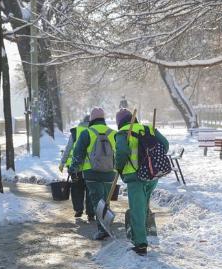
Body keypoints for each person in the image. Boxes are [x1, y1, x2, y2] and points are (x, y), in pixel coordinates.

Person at [114, 108, 168, 255]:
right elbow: (165, 144)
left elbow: (122, 153)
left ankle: (140, 244)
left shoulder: (123, 133)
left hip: (135, 176)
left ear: (119, 122)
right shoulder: (148, 129)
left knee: (137, 210)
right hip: (151, 175)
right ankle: (144, 232)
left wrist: (118, 167)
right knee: (143, 206)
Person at [70, 107, 116, 240]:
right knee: (106, 201)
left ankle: (103, 230)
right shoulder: (113, 133)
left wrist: (74, 169)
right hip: (109, 173)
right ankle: (105, 226)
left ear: (92, 119)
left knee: (97, 201)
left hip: (92, 173)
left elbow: (78, 153)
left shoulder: (86, 133)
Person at [60, 115, 91, 218]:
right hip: (90, 167)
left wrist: (62, 162)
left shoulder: (75, 131)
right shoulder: (94, 131)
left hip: (75, 167)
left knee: (76, 188)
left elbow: (68, 148)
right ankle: (91, 213)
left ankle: (78, 210)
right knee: (90, 189)